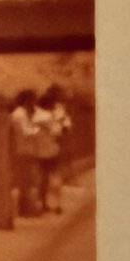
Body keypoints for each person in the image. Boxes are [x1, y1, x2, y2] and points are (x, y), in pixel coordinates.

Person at [32, 85, 71, 213]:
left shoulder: (34, 116)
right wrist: (62, 120)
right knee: (55, 177)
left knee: (41, 178)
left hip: (37, 151)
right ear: (49, 104)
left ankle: (42, 204)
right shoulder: (49, 117)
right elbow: (59, 131)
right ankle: (57, 204)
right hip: (51, 150)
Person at [8, 89, 40, 216]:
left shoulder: (20, 114)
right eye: (33, 101)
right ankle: (24, 210)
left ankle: (25, 208)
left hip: (23, 150)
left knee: (25, 181)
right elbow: (27, 132)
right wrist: (39, 129)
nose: (34, 104)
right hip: (23, 151)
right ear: (27, 101)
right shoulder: (20, 115)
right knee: (25, 181)